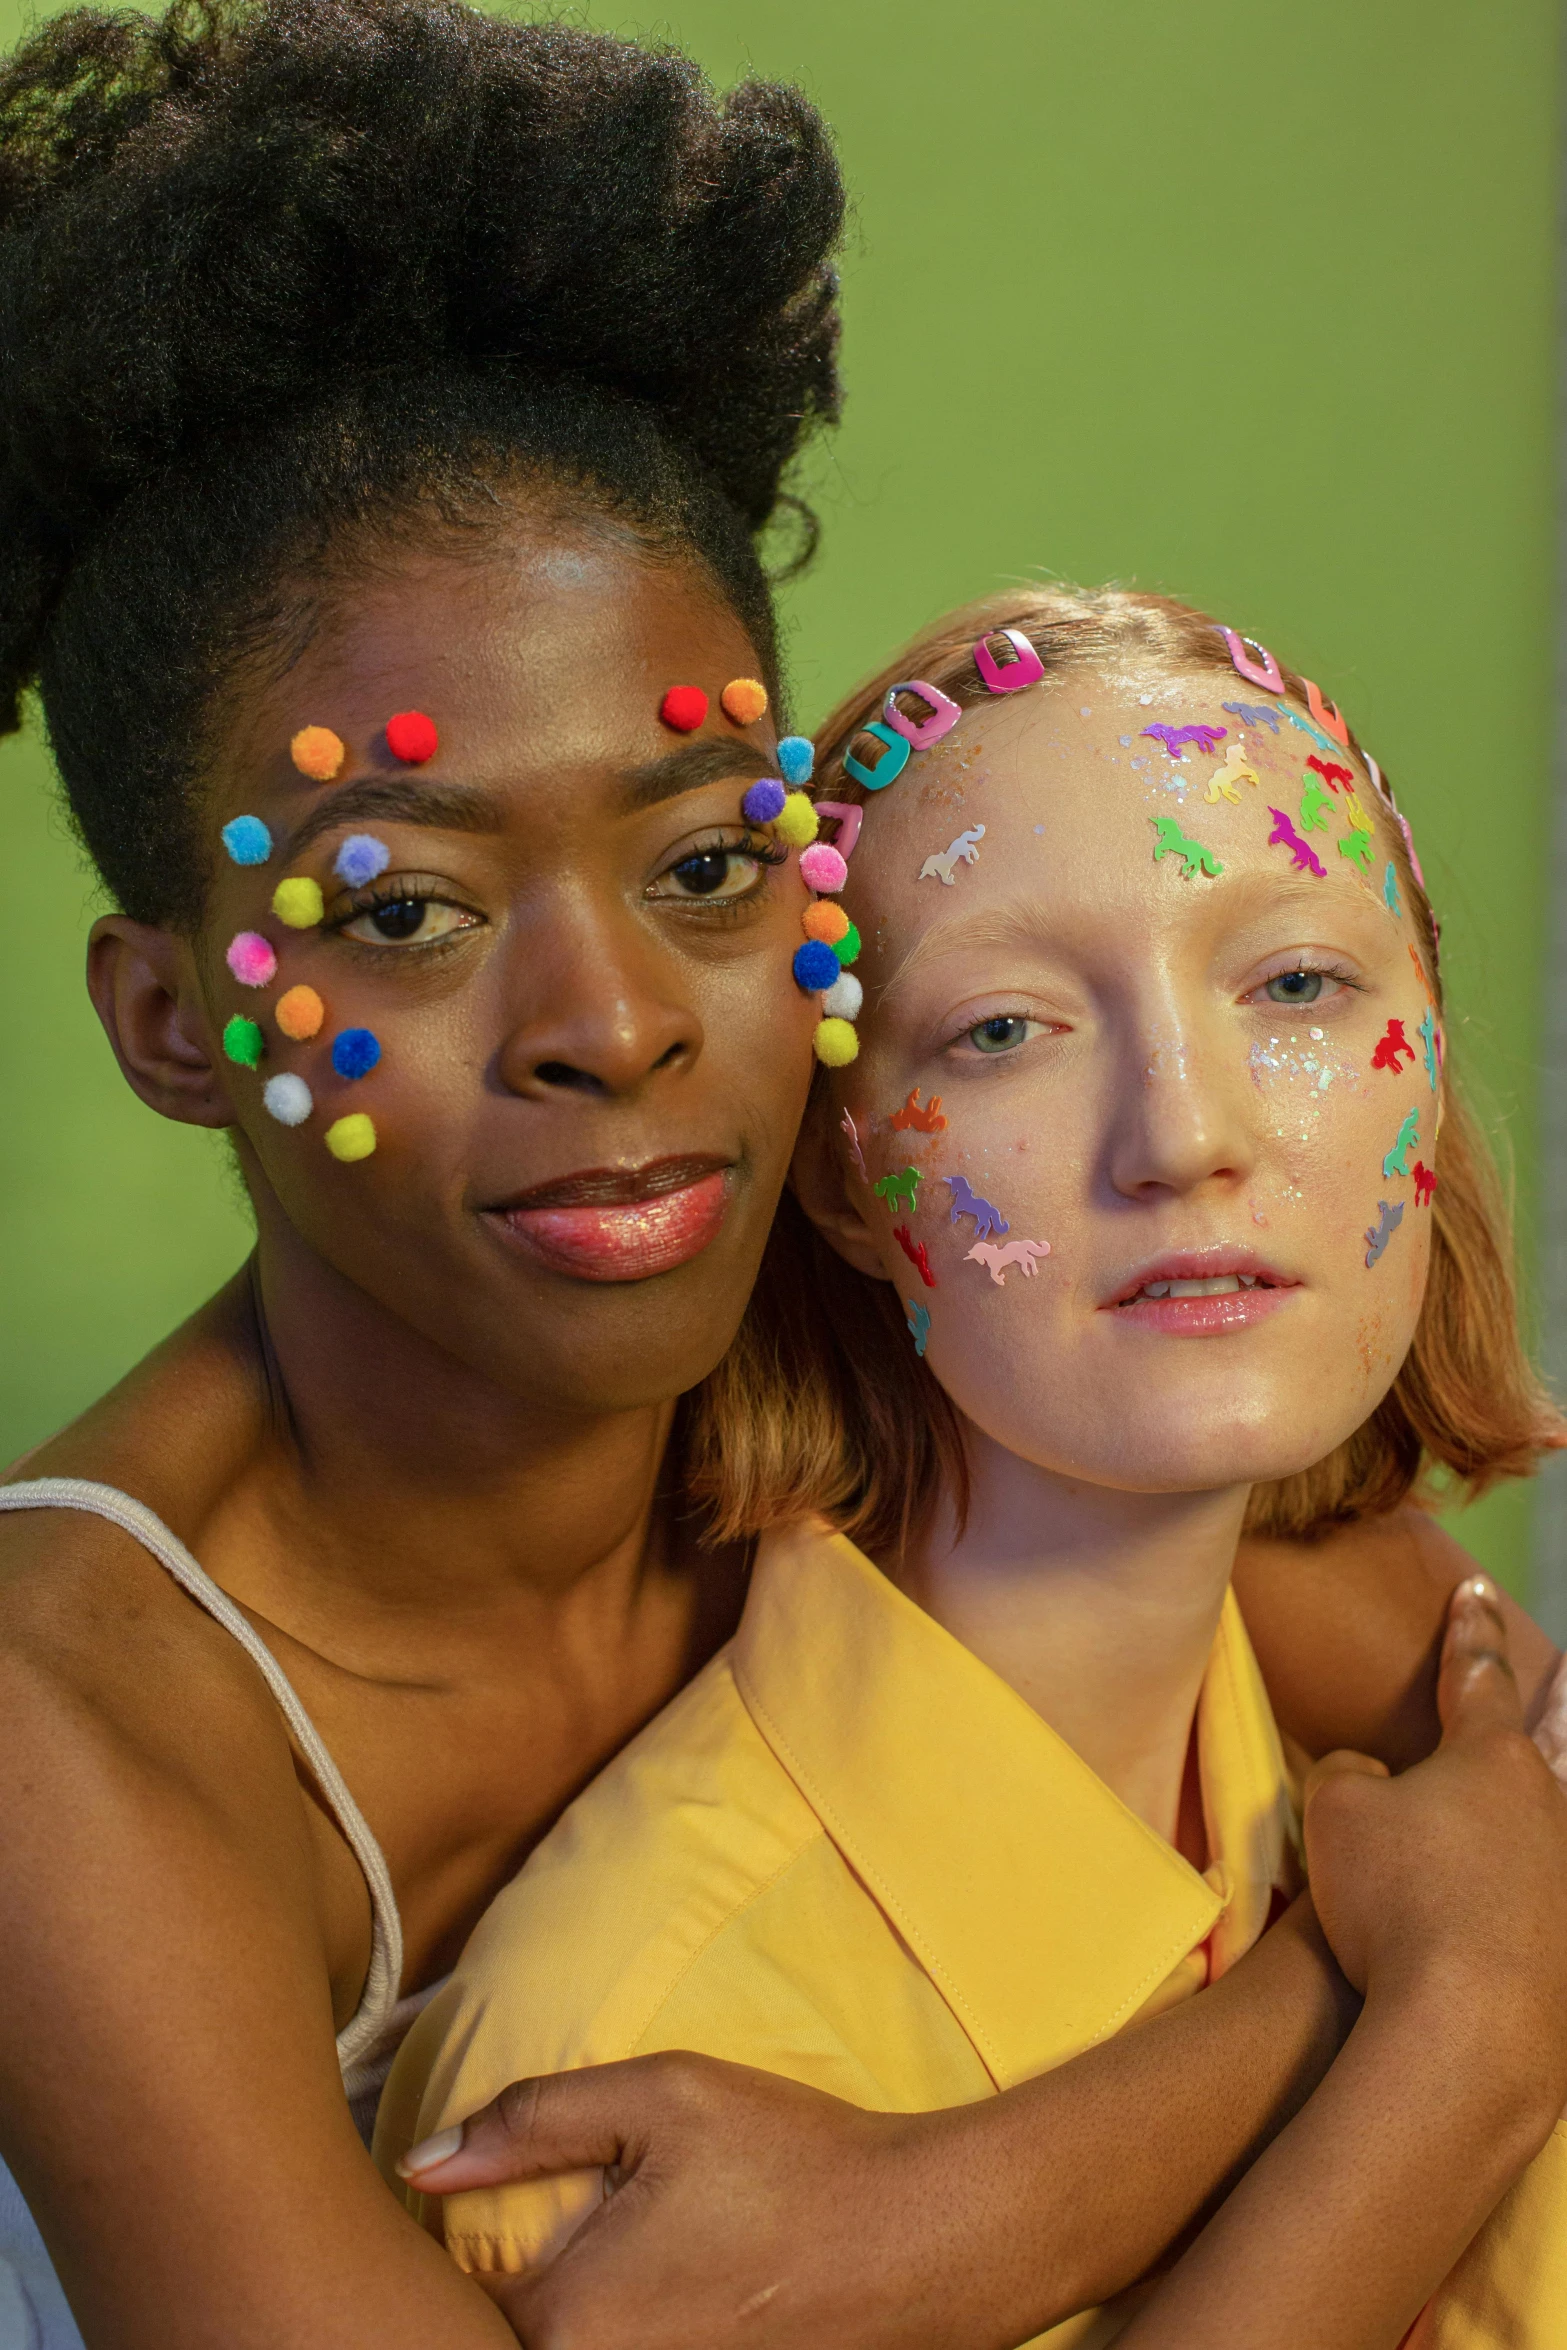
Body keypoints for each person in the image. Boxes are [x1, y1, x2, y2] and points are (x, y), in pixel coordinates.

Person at [0, 1, 1558, 2339]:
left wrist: (907, 2222)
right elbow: (1482, 1926)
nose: (613, 1020)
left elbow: (1495, 1757)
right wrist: (1399, 2012)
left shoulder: (909, 1322)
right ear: (165, 1024)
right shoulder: (68, 1732)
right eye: (404, 908)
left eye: (714, 867)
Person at [379, 590, 1567, 2348]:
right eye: (1004, 1027)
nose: (1188, 1131)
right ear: (848, 1178)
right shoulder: (631, 2066)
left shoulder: (1422, 1775)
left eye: (1298, 982)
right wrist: (1460, 2025)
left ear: (1432, 1051)